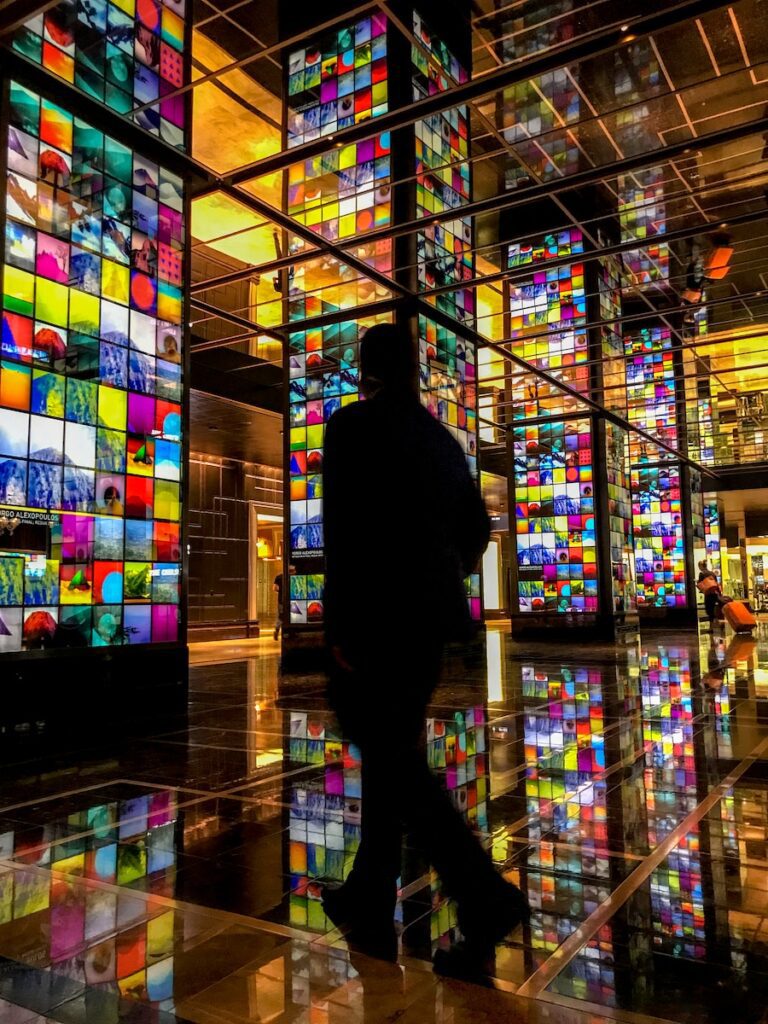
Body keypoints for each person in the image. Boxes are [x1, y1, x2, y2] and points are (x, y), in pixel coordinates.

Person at [322, 322, 529, 976]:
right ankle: (367, 888)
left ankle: (483, 893)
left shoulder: (350, 428)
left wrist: (340, 628)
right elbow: (478, 531)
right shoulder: (443, 443)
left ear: (366, 368)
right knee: (395, 748)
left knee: (392, 756)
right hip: (427, 627)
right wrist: (442, 578)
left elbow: (345, 536)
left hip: (373, 620)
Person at [697, 559, 722, 630]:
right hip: (715, 594)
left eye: (699, 566)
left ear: (701, 566)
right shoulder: (712, 573)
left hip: (708, 594)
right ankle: (717, 623)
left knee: (709, 610)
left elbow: (700, 584)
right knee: (713, 609)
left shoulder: (701, 574)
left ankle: (711, 627)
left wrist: (697, 583)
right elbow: (716, 584)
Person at [273, 564, 295, 640]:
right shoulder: (294, 578)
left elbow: (275, 588)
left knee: (281, 616)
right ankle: (290, 632)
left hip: (281, 600)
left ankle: (277, 629)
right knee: (293, 615)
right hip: (293, 600)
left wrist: (281, 590)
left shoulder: (279, 577)